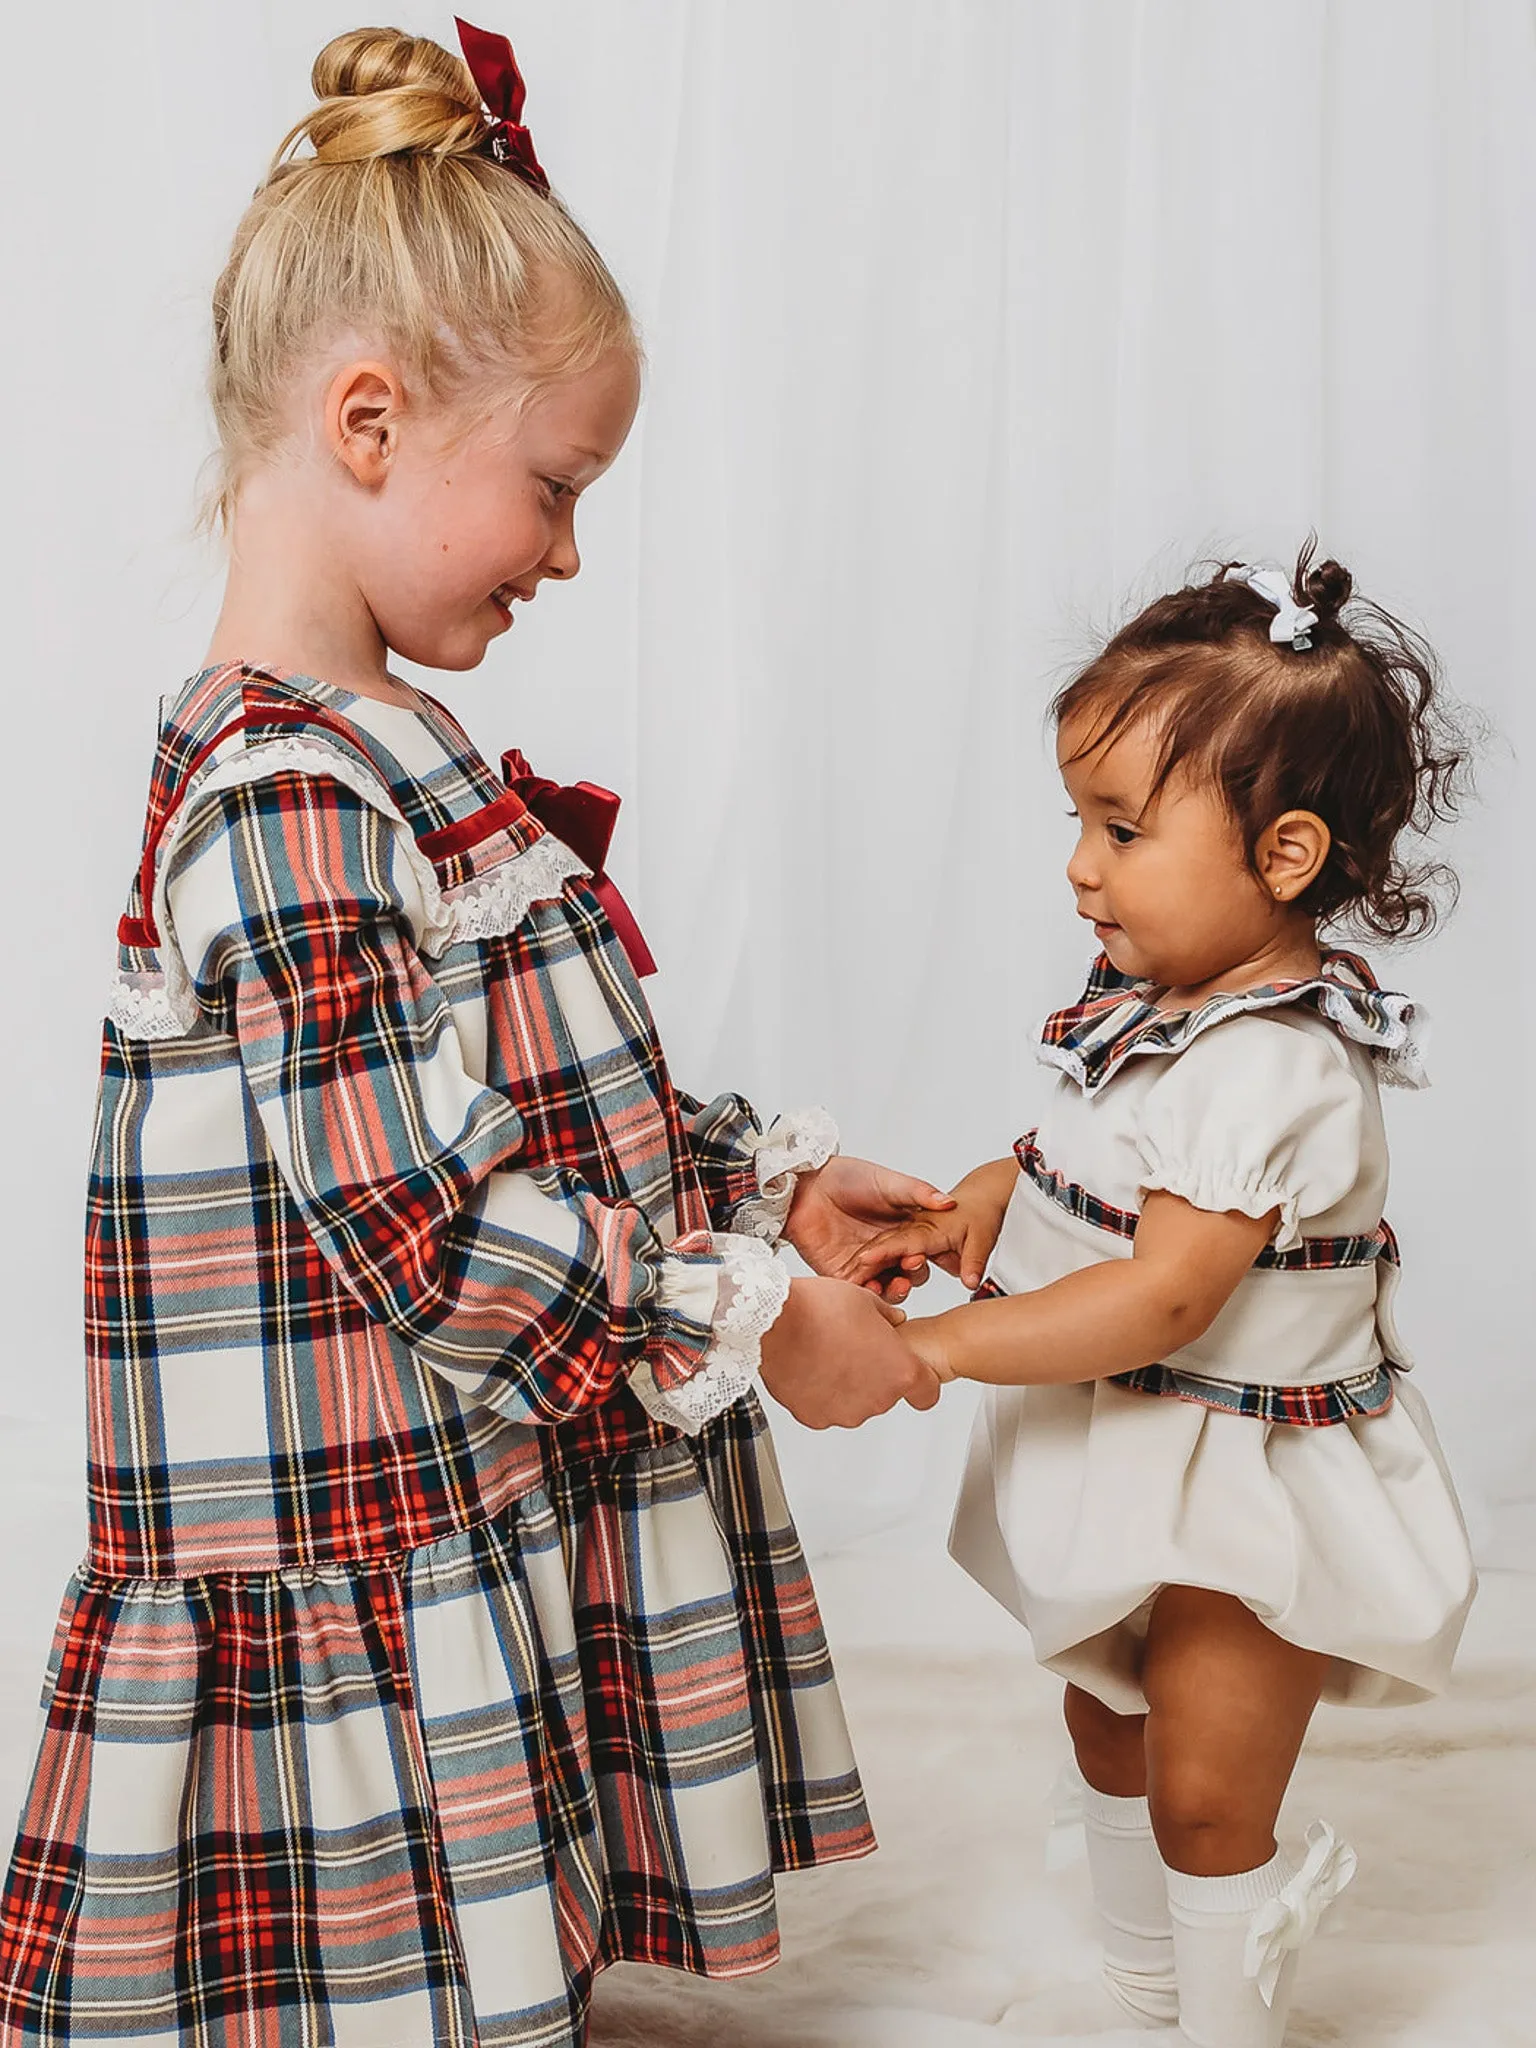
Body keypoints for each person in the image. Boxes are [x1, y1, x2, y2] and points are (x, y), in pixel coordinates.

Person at [0, 23, 952, 2046]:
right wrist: (764, 1314)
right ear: (368, 418)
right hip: (338, 1511)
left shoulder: (388, 752)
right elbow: (431, 1242)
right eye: (552, 485)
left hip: (438, 1482)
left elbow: (523, 1097)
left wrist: (760, 1178)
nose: (570, 549)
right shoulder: (281, 804)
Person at [859, 552, 1479, 2048]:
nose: (1081, 864)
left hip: (1248, 1478)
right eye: (1080, 820)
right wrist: (970, 1209)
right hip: (1140, 1459)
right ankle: (1143, 1993)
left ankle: (1222, 2006)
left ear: (1282, 859)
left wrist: (936, 1349)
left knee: (1206, 1781)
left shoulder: (1276, 1062)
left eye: (1123, 829)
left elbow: (1162, 1298)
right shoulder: (1156, 1004)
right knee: (1110, 1715)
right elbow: (1083, 1165)